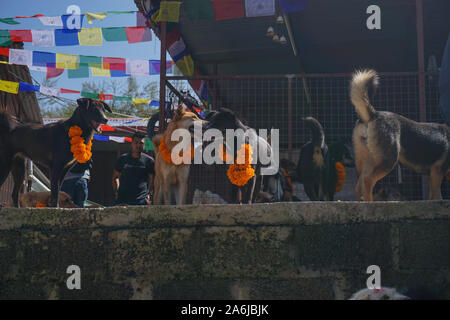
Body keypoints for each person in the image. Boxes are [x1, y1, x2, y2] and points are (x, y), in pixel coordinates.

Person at [112, 132, 155, 205]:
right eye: (136, 142)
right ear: (131, 143)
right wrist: (117, 193)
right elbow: (115, 177)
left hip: (141, 199)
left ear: (144, 145)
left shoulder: (149, 161)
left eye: (141, 143)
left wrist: (149, 195)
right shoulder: (122, 159)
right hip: (123, 199)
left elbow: (152, 179)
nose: (138, 145)